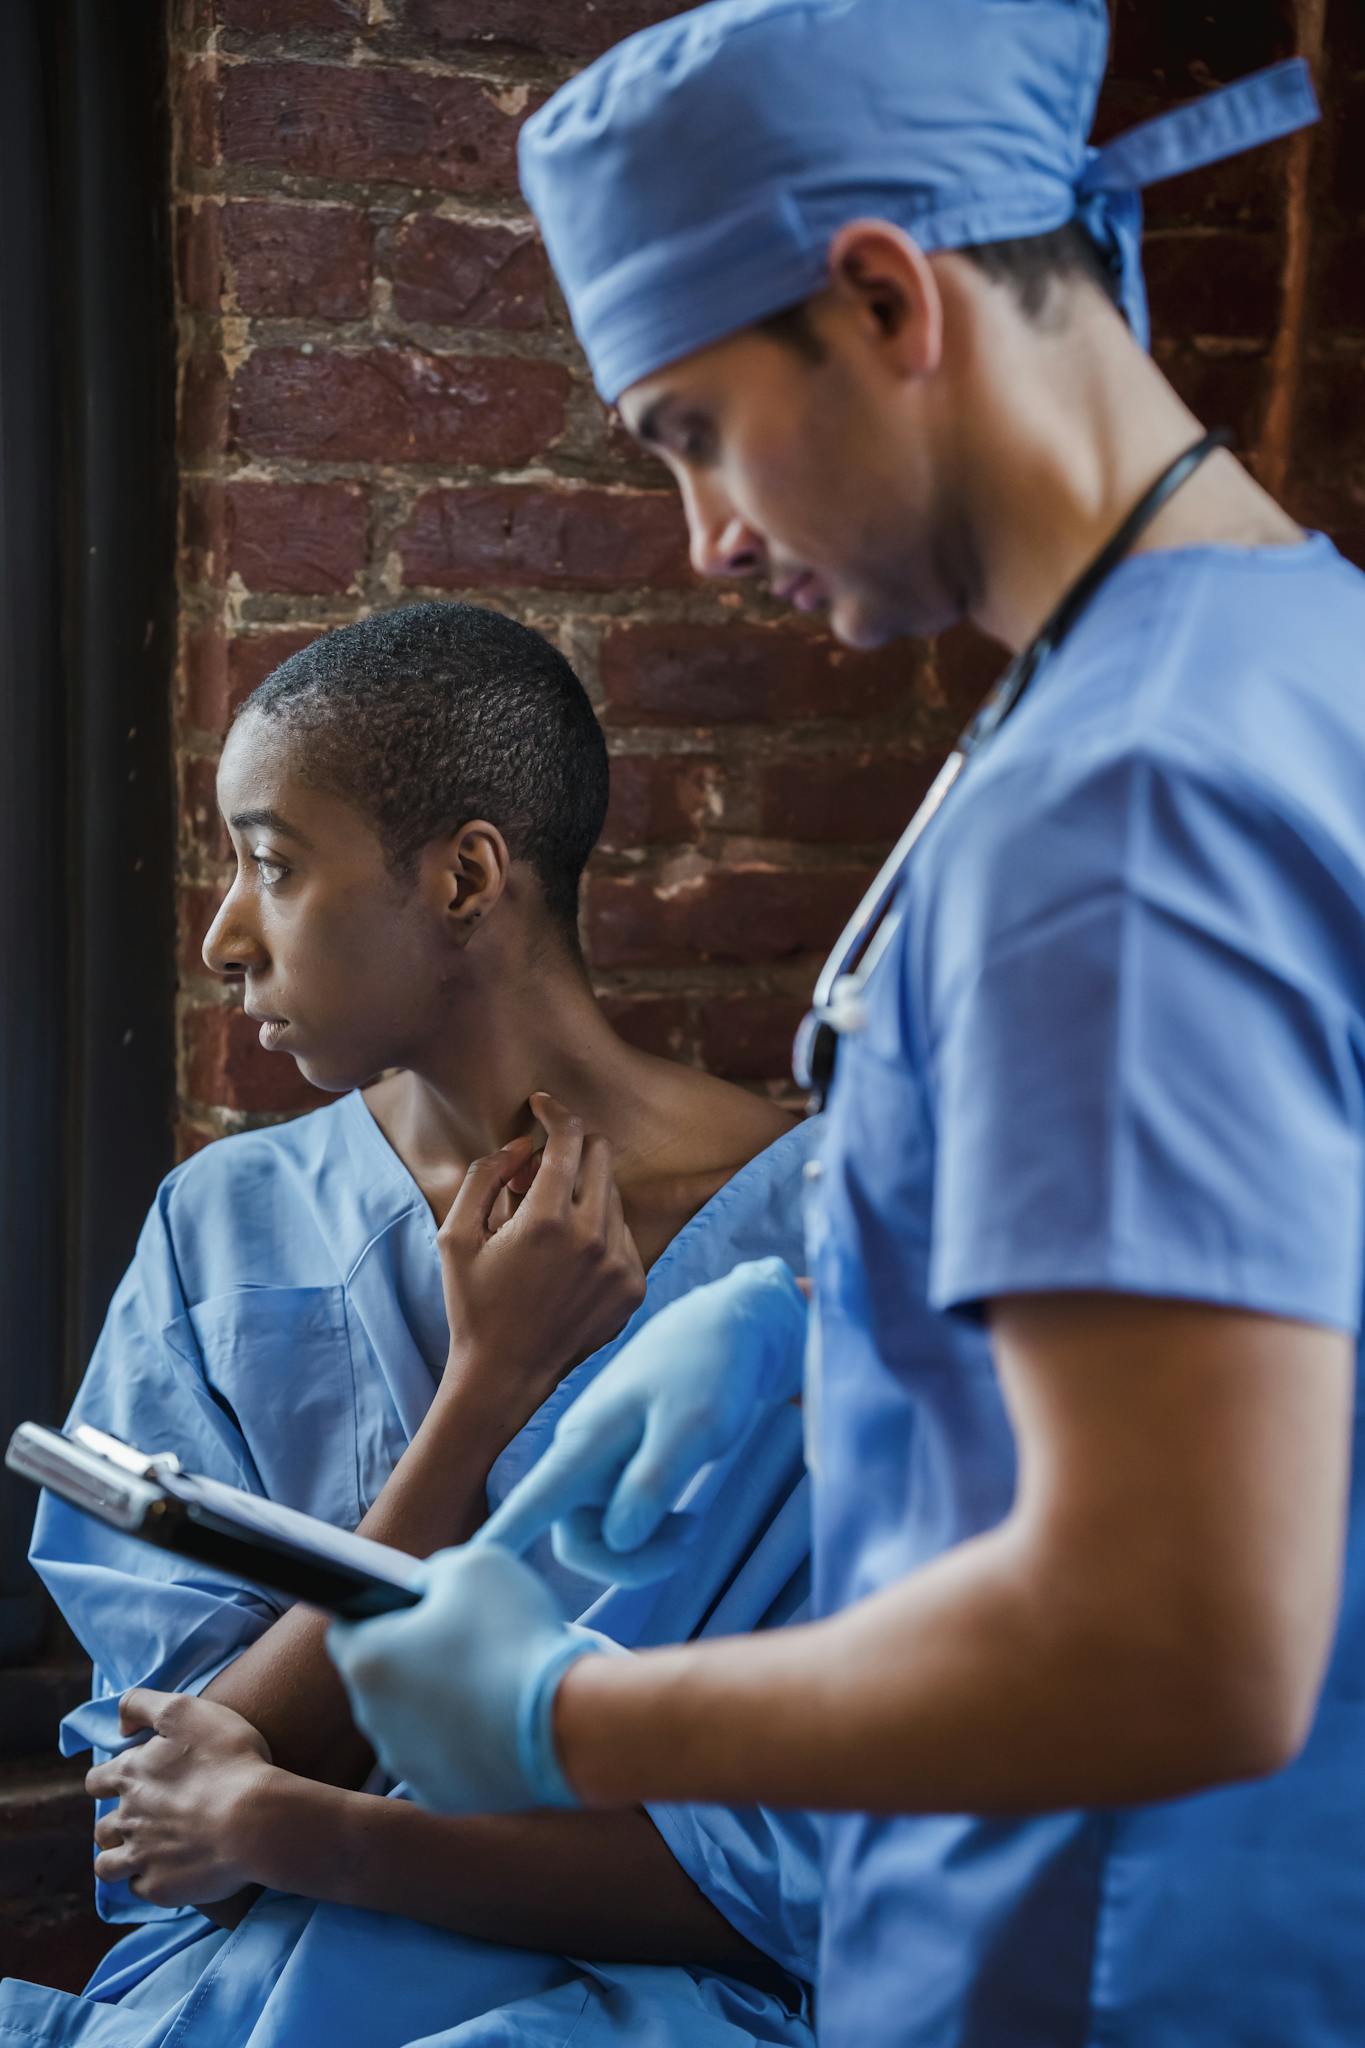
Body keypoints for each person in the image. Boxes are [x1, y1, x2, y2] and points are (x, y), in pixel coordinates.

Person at [325, 7, 1365, 2045]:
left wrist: (564, 1713)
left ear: (882, 296)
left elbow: (1174, 1642)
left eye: (689, 431)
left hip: (1119, 1972)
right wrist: (821, 1320)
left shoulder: (1118, 800)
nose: (705, 535)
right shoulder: (1291, 647)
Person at [0, 602, 822, 2048]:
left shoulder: (827, 1240)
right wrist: (484, 1397)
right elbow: (177, 1809)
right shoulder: (222, 1228)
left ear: (462, 878)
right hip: (238, 1997)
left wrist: (301, 1828)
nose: (221, 936)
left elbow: (804, 1870)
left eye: (272, 863)